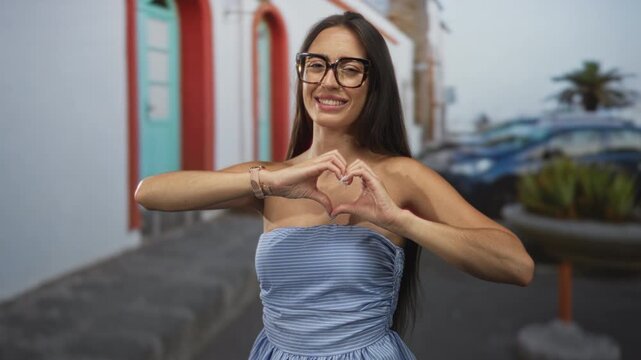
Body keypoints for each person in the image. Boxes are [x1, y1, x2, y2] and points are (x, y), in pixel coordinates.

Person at [135, 11, 534, 360]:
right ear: (303, 71)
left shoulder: (401, 175)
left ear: (373, 84)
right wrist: (270, 180)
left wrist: (402, 220)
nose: (328, 81)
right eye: (316, 64)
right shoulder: (272, 178)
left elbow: (516, 265)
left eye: (349, 68)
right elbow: (151, 193)